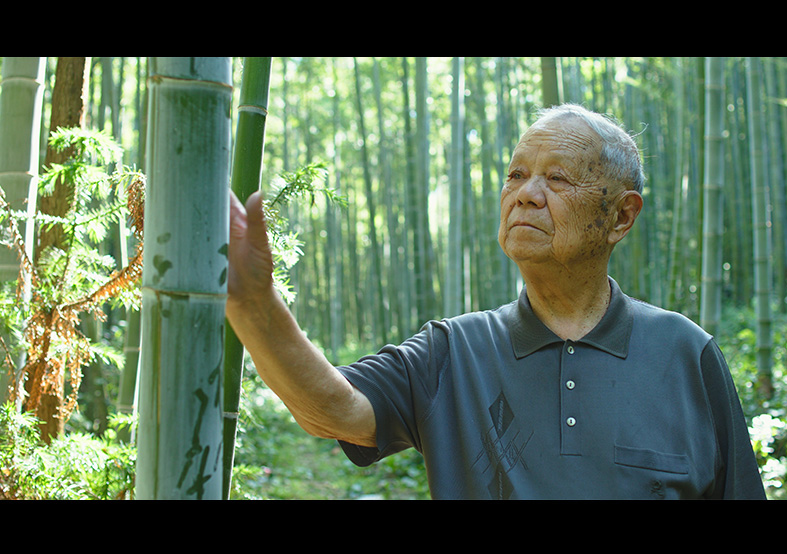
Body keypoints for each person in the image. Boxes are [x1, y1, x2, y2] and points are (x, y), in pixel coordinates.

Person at [226, 103, 766, 500]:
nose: (526, 193)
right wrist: (253, 302)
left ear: (621, 217)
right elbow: (335, 409)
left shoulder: (685, 353)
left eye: (557, 177)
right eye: (515, 174)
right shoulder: (452, 351)